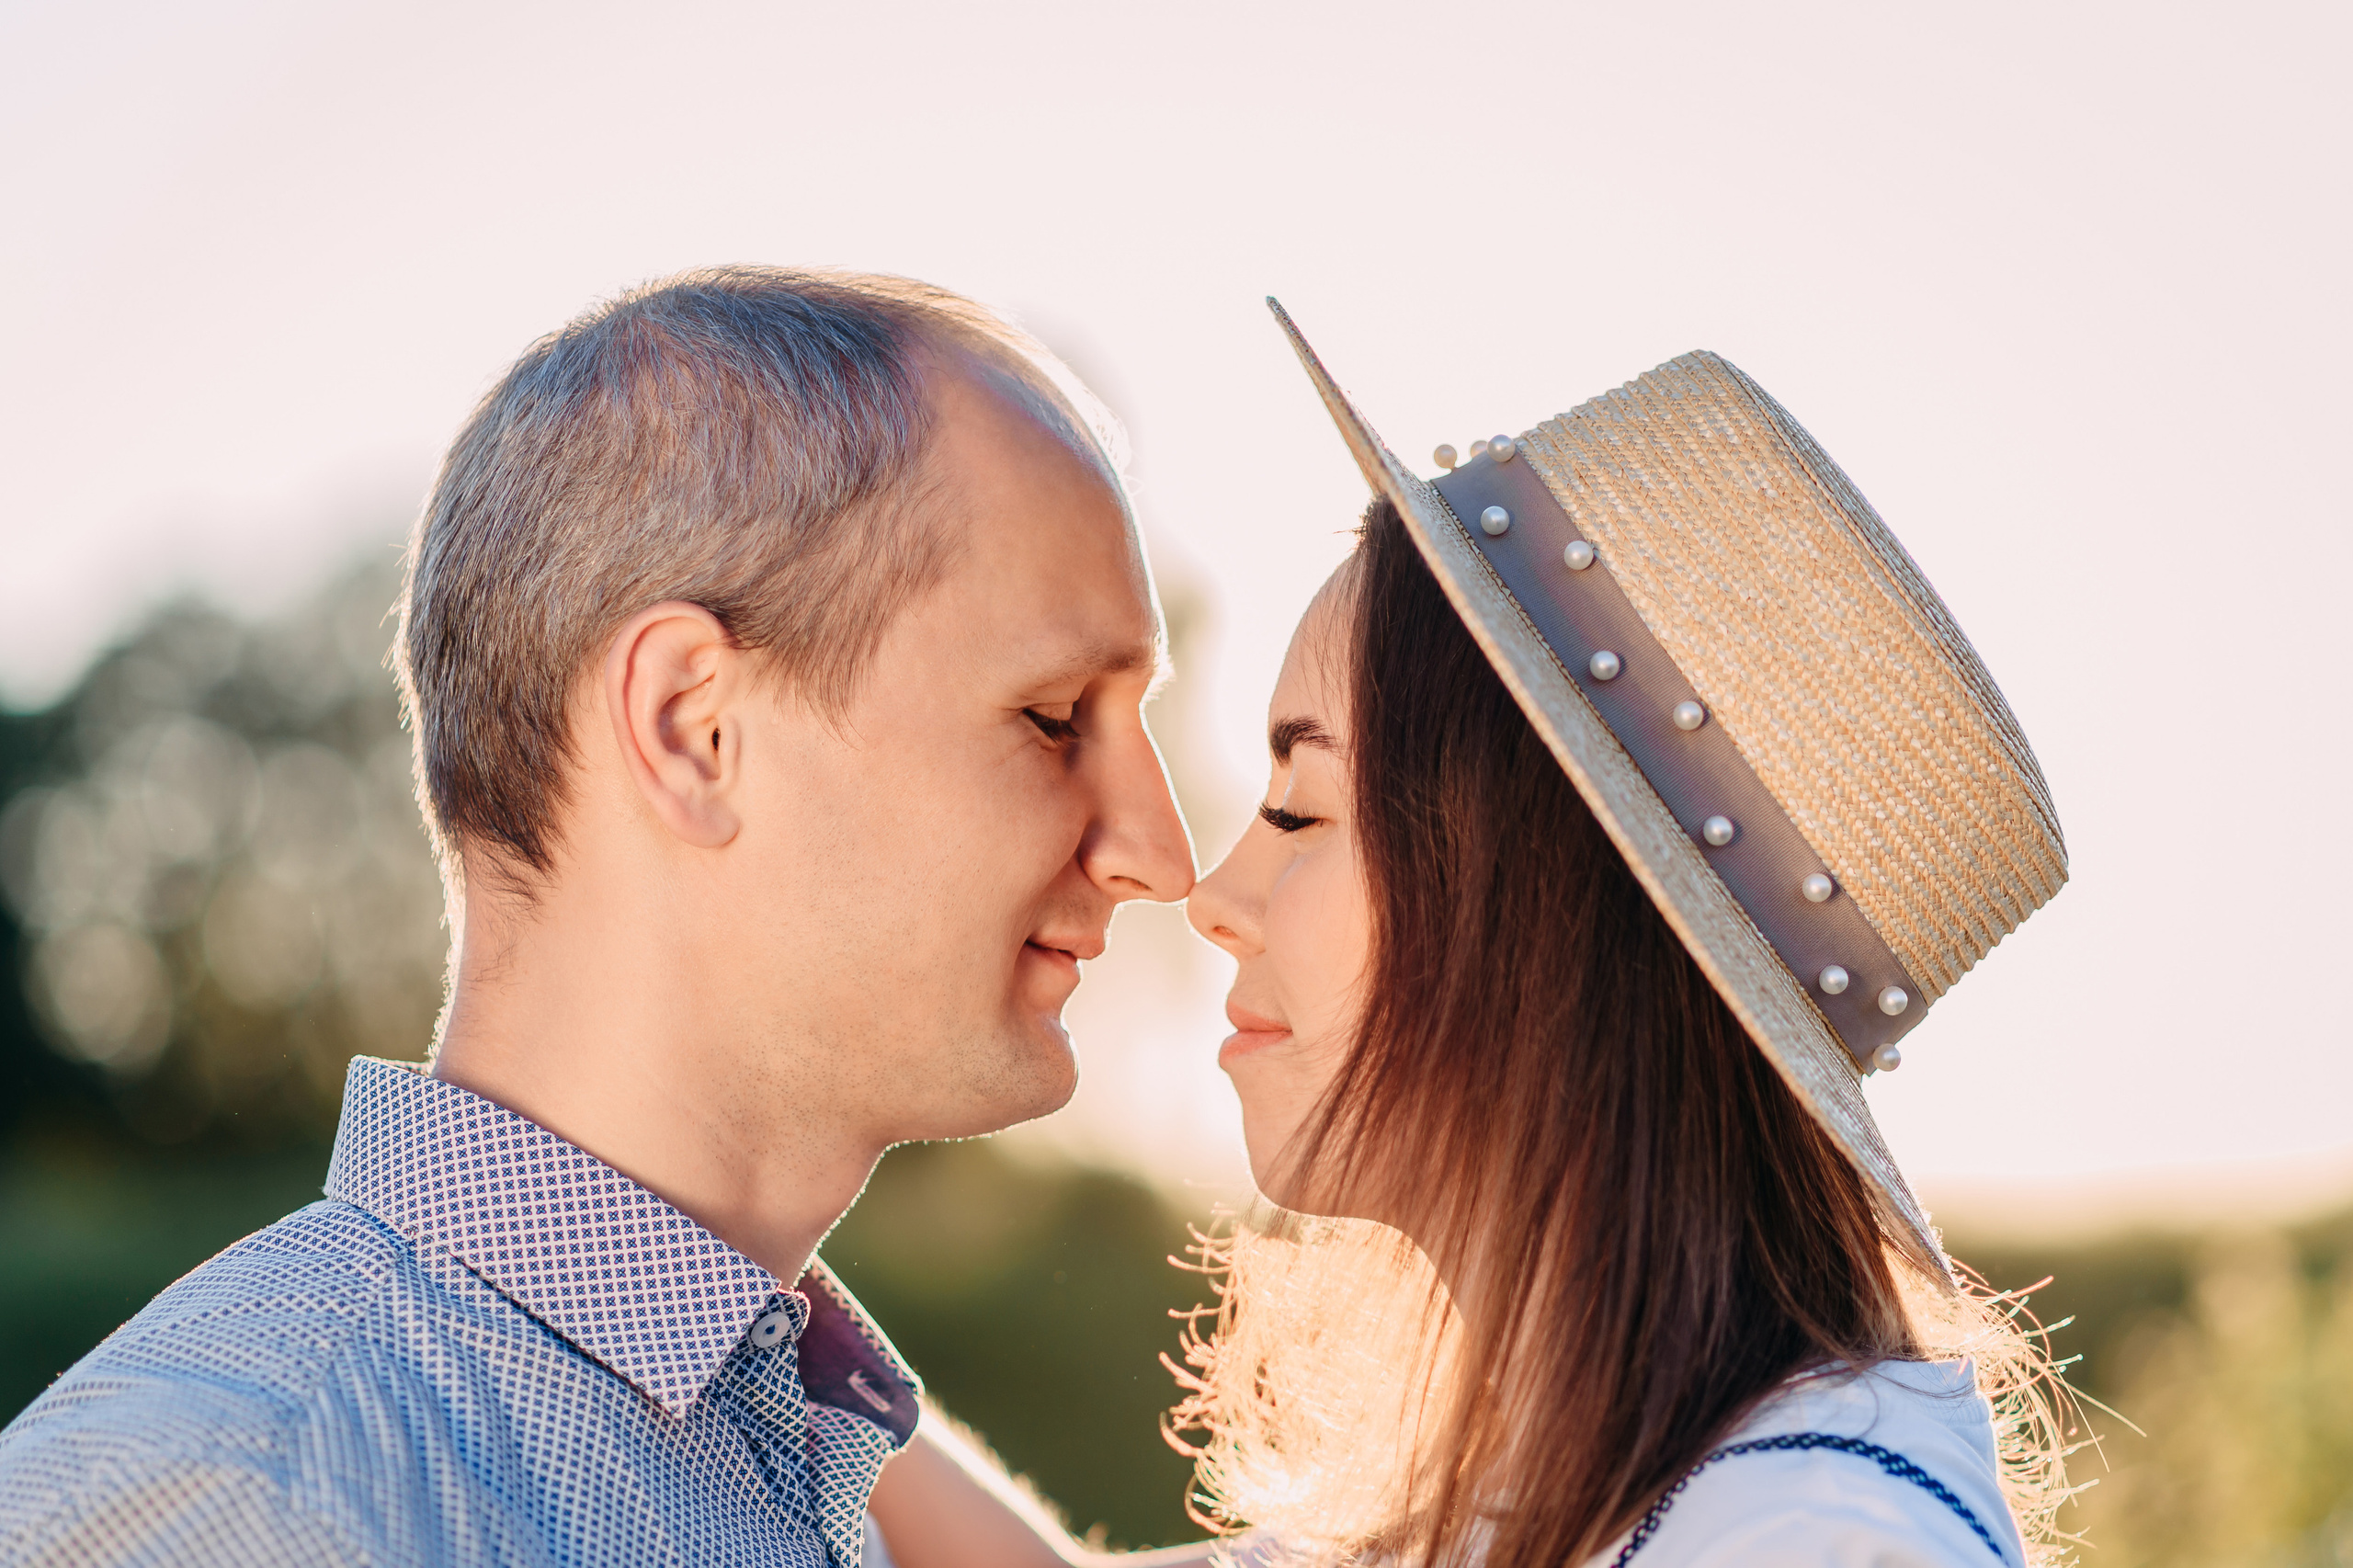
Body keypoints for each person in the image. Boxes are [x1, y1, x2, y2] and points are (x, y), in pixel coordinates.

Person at [0, 267, 1196, 1567]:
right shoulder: (244, 1511)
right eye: (1053, 716)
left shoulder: (796, 1451)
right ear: (695, 727)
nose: (1162, 853)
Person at [865, 303, 2078, 1568]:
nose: (1212, 894)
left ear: (1540, 907)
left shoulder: (1810, 1540)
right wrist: (748, 1291)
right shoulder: (1574, 1478)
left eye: (1299, 809)